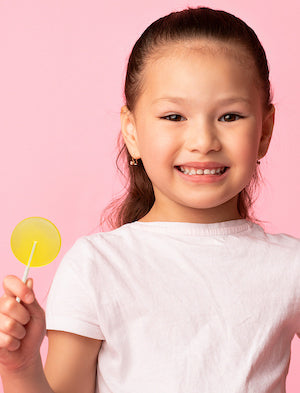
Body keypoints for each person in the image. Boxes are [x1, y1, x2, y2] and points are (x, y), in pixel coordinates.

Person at [0, 6, 299, 393]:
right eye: (174, 117)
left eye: (230, 117)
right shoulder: (97, 266)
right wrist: (20, 368)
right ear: (132, 131)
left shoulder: (289, 267)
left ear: (265, 130)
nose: (203, 141)